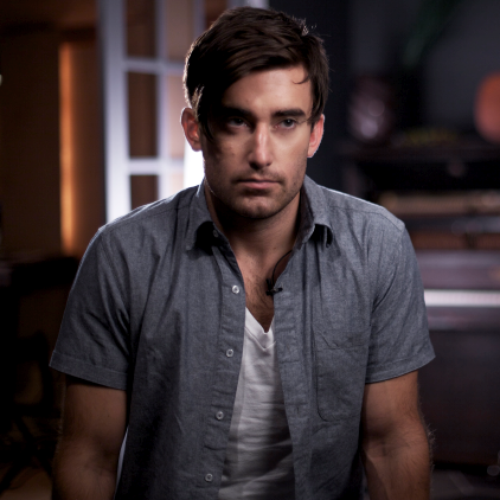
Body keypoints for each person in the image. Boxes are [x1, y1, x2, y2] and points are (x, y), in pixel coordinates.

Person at [50, 6, 435, 500]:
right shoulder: (122, 256)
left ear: (315, 133)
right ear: (196, 129)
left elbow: (392, 442)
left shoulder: (377, 245)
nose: (261, 154)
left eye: (286, 121)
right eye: (236, 121)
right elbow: (89, 457)